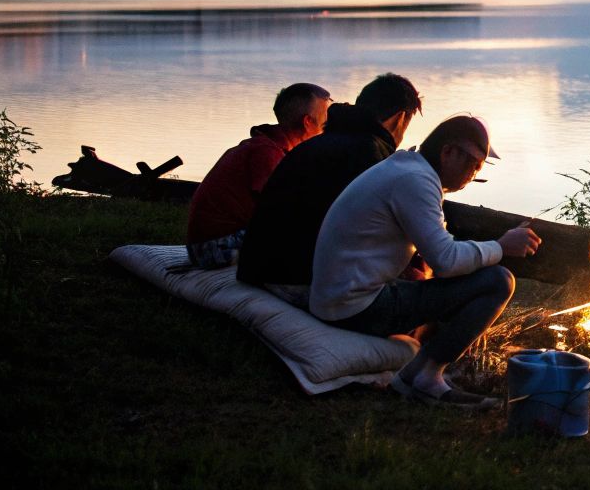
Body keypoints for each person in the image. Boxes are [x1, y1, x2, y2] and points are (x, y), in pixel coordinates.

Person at [310, 115, 540, 408]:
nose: (474, 174)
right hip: (354, 306)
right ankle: (424, 379)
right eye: (473, 165)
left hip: (340, 295)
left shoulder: (408, 169)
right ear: (448, 152)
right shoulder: (415, 181)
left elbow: (441, 251)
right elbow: (445, 261)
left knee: (466, 279)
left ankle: (422, 370)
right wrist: (501, 246)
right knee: (498, 281)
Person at [236, 73, 422, 298]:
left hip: (258, 270)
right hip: (300, 281)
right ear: (400, 118)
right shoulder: (372, 155)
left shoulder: (316, 144)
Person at [184, 82, 332, 267]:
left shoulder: (270, 146)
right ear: (308, 122)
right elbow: (278, 209)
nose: (327, 126)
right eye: (325, 119)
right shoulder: (266, 153)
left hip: (212, 244)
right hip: (211, 249)